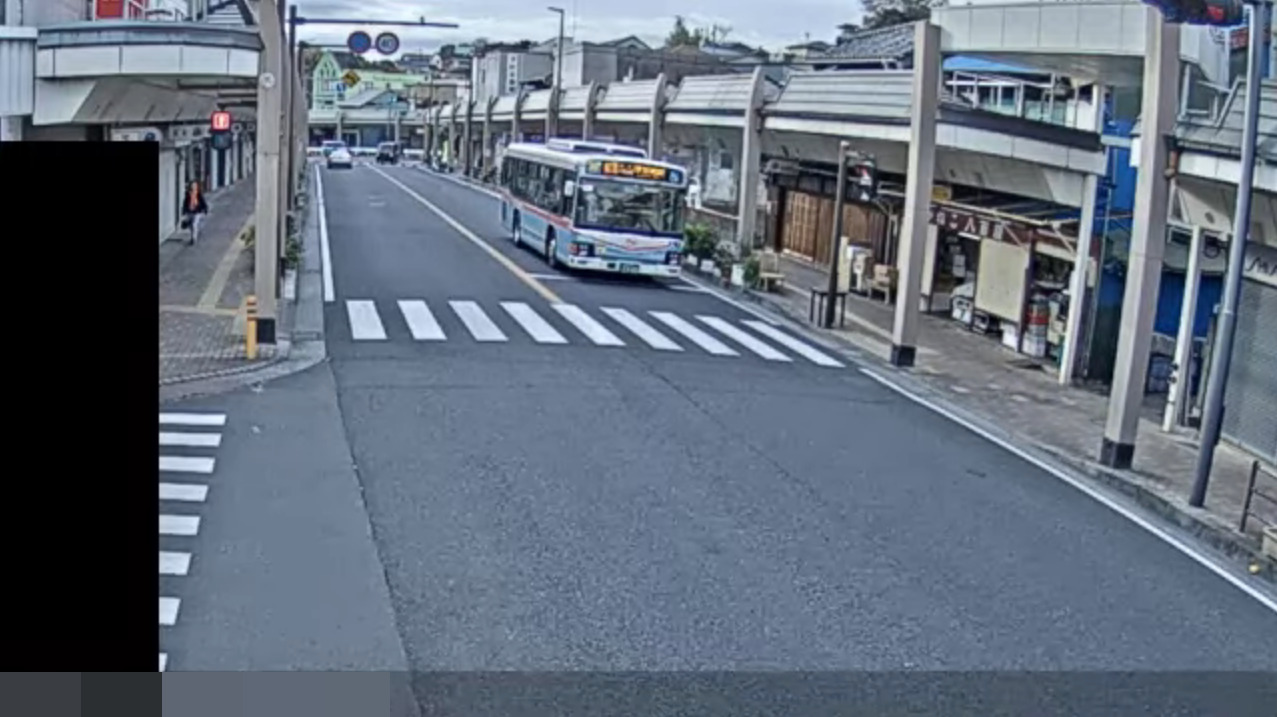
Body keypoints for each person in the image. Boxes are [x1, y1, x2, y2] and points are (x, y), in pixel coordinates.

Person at [182, 180, 209, 246]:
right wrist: (184, 211)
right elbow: (185, 203)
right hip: (189, 211)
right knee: (191, 226)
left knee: (194, 224)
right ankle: (193, 235)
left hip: (197, 212)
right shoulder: (188, 194)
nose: (193, 187)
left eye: (195, 186)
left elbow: (203, 202)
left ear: (197, 187)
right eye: (192, 185)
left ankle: (193, 239)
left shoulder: (199, 194)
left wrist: (205, 209)